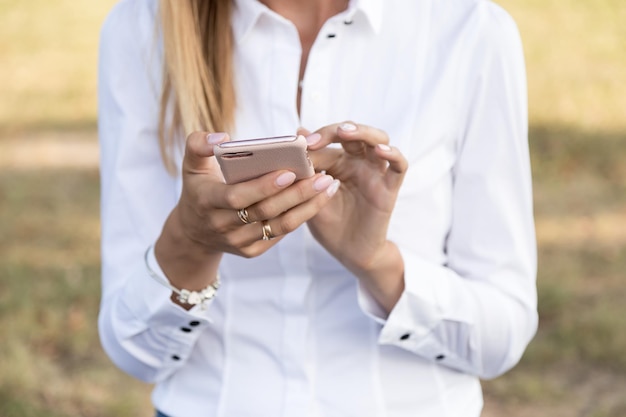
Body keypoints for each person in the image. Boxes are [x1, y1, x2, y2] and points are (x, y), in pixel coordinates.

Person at [97, 0, 538, 416]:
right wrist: (190, 242)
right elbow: (134, 350)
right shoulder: (143, 27)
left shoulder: (469, 29)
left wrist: (377, 263)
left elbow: (502, 335)